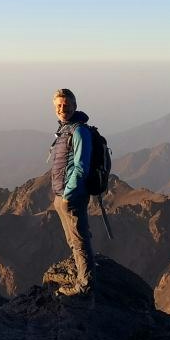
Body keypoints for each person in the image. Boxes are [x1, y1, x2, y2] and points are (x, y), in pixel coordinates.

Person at [48, 89, 95, 295]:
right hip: (62, 195)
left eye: (66, 105)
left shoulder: (78, 131)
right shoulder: (64, 130)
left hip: (72, 197)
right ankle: (82, 277)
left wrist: (68, 194)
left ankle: (85, 287)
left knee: (79, 240)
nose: (62, 109)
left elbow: (81, 166)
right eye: (58, 105)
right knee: (73, 240)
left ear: (75, 106)